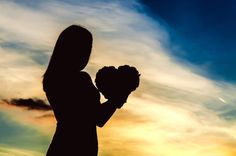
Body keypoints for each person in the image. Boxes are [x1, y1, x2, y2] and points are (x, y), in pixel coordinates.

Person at [43, 25, 129, 156]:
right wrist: (121, 93)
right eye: (85, 49)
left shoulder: (52, 79)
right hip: (78, 147)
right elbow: (98, 118)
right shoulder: (80, 79)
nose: (87, 54)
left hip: (63, 145)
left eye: (89, 49)